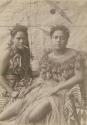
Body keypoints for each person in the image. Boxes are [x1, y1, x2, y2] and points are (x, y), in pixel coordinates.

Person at [0, 25, 85, 125]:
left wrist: (57, 88)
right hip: (43, 88)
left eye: (62, 38)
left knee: (32, 116)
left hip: (61, 92)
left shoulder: (75, 55)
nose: (58, 40)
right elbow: (41, 76)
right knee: (9, 112)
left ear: (67, 40)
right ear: (51, 39)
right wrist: (30, 88)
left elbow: (80, 76)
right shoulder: (47, 55)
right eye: (55, 37)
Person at [0, 24, 32, 108]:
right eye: (18, 38)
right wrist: (11, 92)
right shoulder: (8, 53)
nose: (21, 41)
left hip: (23, 85)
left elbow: (28, 71)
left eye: (24, 38)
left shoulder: (26, 51)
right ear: (12, 38)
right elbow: (0, 75)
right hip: (8, 87)